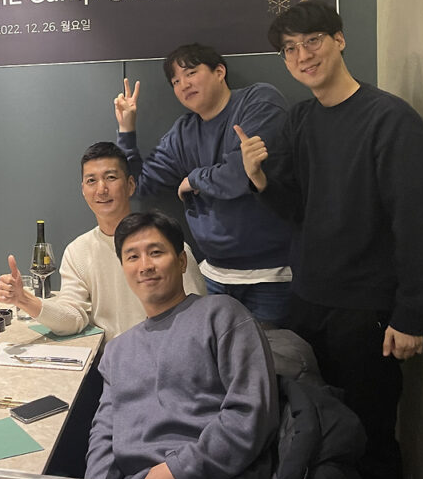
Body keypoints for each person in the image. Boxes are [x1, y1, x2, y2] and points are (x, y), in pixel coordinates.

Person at [236, 0, 423, 479]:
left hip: (366, 312)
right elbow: (296, 210)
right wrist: (259, 179)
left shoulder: (390, 119)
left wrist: (411, 313)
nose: (303, 55)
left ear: (340, 40)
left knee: (370, 439)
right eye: (290, 49)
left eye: (313, 41)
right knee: (316, 433)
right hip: (308, 304)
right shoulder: (301, 119)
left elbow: (415, 222)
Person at [87, 211, 278, 479]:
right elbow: (104, 433)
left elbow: (251, 413)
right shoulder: (117, 351)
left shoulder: (222, 314)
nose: (145, 266)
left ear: (181, 261)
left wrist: (180, 469)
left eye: (156, 252)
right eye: (132, 257)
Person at [114, 44, 293, 327]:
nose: (183, 84)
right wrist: (127, 129)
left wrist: (194, 179)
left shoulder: (259, 100)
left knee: (269, 354)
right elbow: (139, 185)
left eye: (191, 73)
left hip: (271, 276)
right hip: (213, 275)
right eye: (175, 81)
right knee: (213, 353)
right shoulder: (183, 132)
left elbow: (243, 173)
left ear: (219, 72)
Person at [0, 142, 205, 341]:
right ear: (83, 190)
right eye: (91, 181)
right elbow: (73, 317)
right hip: (108, 359)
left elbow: (196, 316)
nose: (101, 189)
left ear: (130, 185)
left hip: (163, 355)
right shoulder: (78, 251)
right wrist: (24, 299)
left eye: (111, 177)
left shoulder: (165, 245)